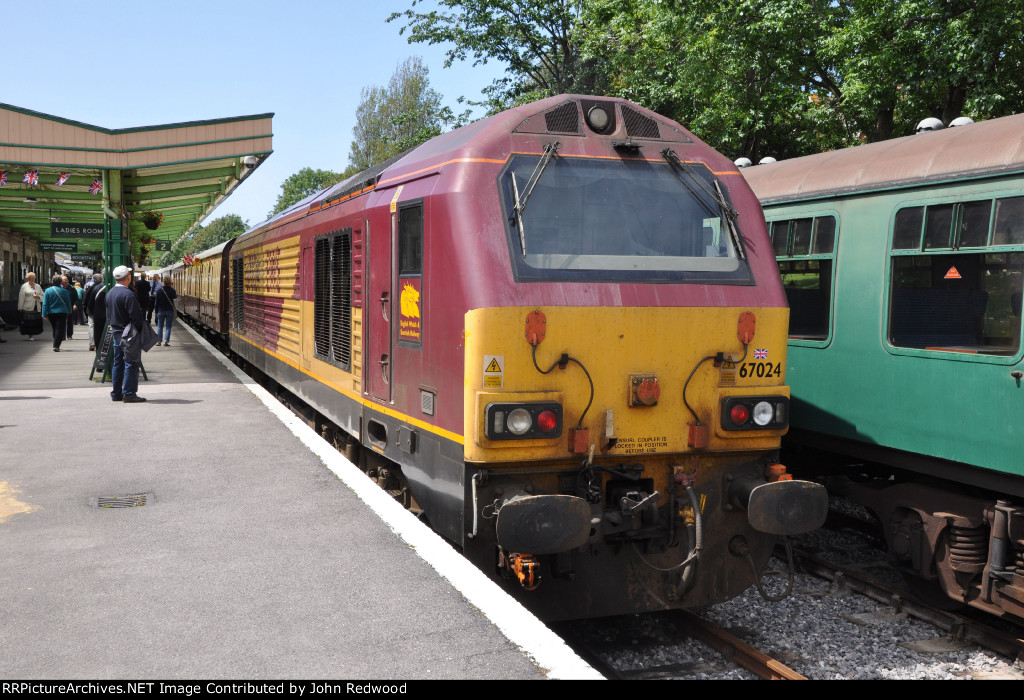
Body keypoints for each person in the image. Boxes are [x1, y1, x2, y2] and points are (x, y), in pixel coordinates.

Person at [106, 265, 146, 403]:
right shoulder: (128, 294)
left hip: (116, 332)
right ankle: (129, 393)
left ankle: (116, 393)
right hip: (128, 332)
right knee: (131, 362)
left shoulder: (110, 293)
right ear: (128, 277)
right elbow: (136, 316)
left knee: (118, 363)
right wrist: (140, 329)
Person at [42, 274, 73, 351]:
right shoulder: (64, 291)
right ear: (60, 282)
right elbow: (68, 302)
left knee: (54, 327)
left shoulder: (47, 291)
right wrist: (69, 311)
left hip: (51, 312)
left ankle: (55, 340)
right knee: (59, 328)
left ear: (52, 281)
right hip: (62, 312)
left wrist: (44, 313)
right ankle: (56, 345)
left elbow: (45, 303)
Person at [17, 272, 44, 341]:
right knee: (29, 322)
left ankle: (33, 333)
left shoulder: (37, 286)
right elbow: (21, 297)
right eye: (32, 278)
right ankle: (30, 335)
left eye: (34, 277)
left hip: (36, 306)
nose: (34, 279)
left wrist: (38, 296)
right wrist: (20, 307)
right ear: (28, 279)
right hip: (27, 307)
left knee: (35, 322)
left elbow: (43, 295)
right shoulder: (24, 286)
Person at [154, 278, 177, 346]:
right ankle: (166, 341)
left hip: (161, 310)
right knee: (168, 326)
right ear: (170, 282)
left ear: (163, 282)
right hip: (170, 310)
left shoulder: (159, 290)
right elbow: (175, 297)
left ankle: (159, 341)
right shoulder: (172, 290)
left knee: (160, 326)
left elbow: (156, 302)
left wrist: (156, 311)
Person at [83, 273, 103, 348]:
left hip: (92, 310)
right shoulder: (103, 287)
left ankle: (92, 343)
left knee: (91, 325)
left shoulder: (92, 288)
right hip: (101, 311)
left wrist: (87, 310)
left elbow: (86, 299)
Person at [60, 275, 77, 340]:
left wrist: (75, 304)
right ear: (61, 281)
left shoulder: (72, 288)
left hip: (70, 307)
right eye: (65, 280)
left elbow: (76, 298)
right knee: (62, 322)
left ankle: (69, 335)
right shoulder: (59, 288)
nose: (67, 281)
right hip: (62, 308)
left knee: (70, 322)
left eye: (67, 280)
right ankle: (62, 336)